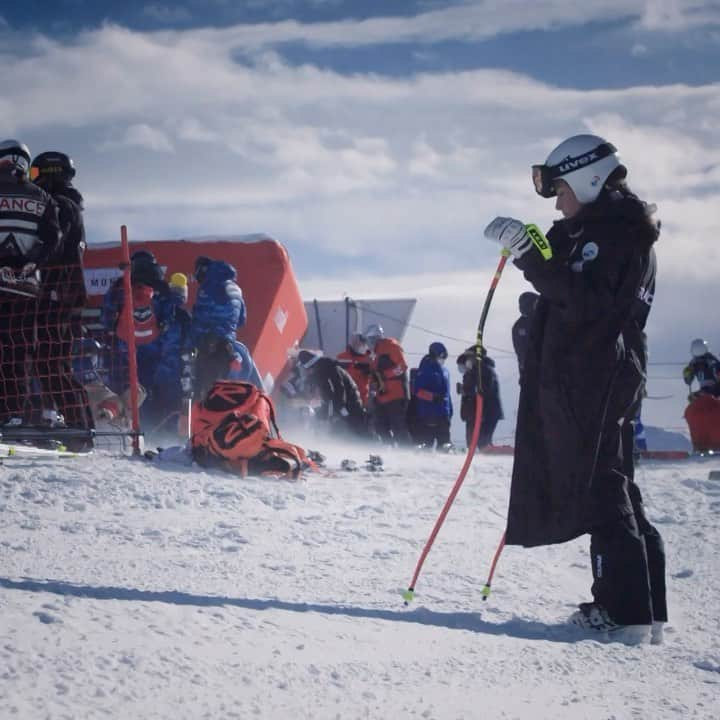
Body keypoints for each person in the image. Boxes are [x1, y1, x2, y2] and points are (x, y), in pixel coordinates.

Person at [484, 133, 667, 644]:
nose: (557, 201)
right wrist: (533, 257)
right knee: (613, 481)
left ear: (589, 176)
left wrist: (532, 261)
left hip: (598, 371)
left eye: (560, 189)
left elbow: (590, 305)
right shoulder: (601, 226)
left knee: (600, 483)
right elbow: (570, 284)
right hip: (598, 368)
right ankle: (642, 611)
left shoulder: (618, 231)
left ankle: (624, 613)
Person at [30, 151, 94, 448]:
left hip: (58, 297)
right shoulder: (70, 206)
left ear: (49, 174)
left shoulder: (62, 206)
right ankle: (75, 425)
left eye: (35, 177)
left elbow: (52, 245)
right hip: (62, 297)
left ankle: (79, 428)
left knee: (52, 364)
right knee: (51, 364)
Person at [0, 140, 62, 426]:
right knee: (19, 353)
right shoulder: (42, 197)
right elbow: (54, 239)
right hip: (25, 288)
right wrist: (31, 262)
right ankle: (13, 415)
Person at [190, 256, 261, 399]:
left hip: (209, 347)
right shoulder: (236, 288)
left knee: (203, 391)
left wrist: (193, 340)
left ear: (202, 271)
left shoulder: (208, 286)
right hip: (228, 346)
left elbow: (200, 317)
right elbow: (241, 319)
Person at [295, 350, 367, 438]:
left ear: (310, 367)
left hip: (350, 402)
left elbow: (338, 391)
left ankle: (370, 445)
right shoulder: (317, 374)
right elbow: (325, 397)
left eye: (304, 369)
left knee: (356, 427)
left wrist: (340, 410)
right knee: (336, 429)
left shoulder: (329, 369)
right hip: (339, 405)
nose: (304, 372)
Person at [366, 324, 411, 445]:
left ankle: (406, 451)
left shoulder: (391, 346)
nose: (370, 342)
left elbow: (402, 366)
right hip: (381, 396)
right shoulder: (374, 354)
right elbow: (375, 374)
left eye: (371, 339)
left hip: (395, 394)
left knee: (398, 427)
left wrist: (385, 375)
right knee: (380, 425)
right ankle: (388, 449)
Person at [455, 346, 503, 449]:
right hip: (476, 413)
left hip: (486, 413)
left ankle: (490, 457)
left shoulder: (484, 370)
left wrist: (465, 390)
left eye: (469, 358)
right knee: (475, 443)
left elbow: (483, 391)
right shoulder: (473, 372)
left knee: (482, 443)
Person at [412, 342, 453, 449]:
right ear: (434, 355)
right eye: (440, 357)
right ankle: (425, 462)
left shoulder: (445, 372)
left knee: (445, 444)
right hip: (429, 414)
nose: (442, 359)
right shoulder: (425, 370)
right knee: (427, 444)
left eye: (444, 357)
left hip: (444, 414)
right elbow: (418, 390)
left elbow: (447, 394)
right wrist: (433, 397)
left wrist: (450, 410)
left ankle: (445, 462)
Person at [336, 333, 372, 407]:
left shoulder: (368, 359)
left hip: (361, 398)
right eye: (354, 342)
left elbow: (375, 377)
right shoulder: (341, 357)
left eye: (359, 342)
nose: (356, 344)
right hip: (345, 396)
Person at [511, 291, 538, 383]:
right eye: (535, 303)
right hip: (530, 371)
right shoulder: (520, 326)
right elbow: (520, 349)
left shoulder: (545, 320)